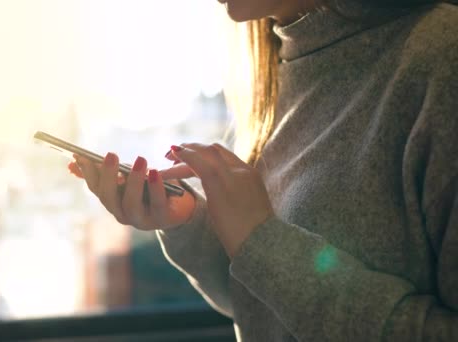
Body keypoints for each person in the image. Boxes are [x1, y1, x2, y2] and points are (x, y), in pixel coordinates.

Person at [67, 0, 458, 340]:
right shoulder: (279, 68)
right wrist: (191, 223)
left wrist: (259, 239)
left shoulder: (443, 61)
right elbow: (268, 310)